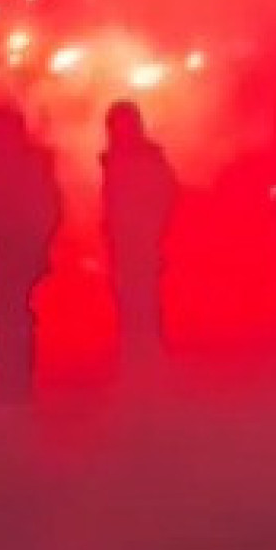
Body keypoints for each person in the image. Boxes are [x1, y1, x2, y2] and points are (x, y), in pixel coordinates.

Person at [0, 106, 62, 403]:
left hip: (19, 249)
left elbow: (48, 208)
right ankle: (8, 380)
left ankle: (15, 381)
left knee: (11, 314)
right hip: (1, 248)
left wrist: (37, 241)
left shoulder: (30, 166)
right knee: (1, 315)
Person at [101, 101, 177, 362]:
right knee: (126, 291)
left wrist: (156, 224)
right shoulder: (113, 159)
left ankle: (149, 345)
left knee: (144, 289)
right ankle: (134, 344)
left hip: (144, 232)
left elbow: (166, 191)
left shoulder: (148, 156)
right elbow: (110, 198)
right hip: (123, 234)